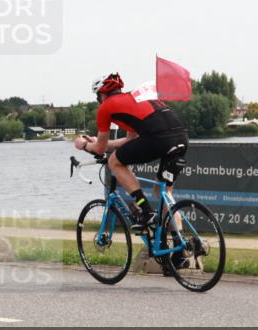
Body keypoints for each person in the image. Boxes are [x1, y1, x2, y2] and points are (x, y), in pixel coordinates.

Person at [73, 73, 189, 231]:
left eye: (97, 97)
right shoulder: (132, 100)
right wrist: (98, 142)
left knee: (114, 162)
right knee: (163, 193)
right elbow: (129, 140)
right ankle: (180, 247)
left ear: (102, 94)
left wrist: (84, 144)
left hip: (159, 138)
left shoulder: (106, 107)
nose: (98, 101)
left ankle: (146, 211)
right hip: (181, 137)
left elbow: (100, 150)